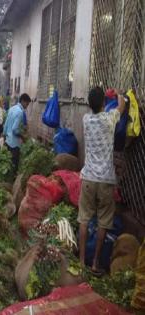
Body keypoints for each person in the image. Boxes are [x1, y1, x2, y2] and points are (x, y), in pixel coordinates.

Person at [78, 87, 126, 276]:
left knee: (84, 219)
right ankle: (95, 263)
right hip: (106, 180)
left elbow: (99, 108)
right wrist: (119, 94)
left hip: (88, 177)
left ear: (89, 105)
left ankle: (81, 261)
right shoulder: (109, 119)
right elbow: (122, 106)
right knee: (103, 222)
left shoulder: (86, 120)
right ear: (104, 104)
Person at [3, 93, 31, 169]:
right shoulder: (20, 112)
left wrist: (4, 137)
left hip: (7, 141)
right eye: (27, 104)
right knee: (13, 166)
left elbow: (5, 125)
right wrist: (23, 137)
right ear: (23, 101)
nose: (26, 106)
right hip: (14, 144)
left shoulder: (12, 108)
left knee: (7, 164)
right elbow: (15, 130)